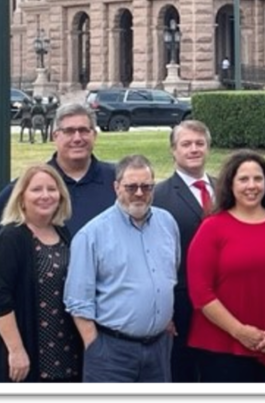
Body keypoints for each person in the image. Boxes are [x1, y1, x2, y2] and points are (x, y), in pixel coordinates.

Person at [187, 150, 265, 382]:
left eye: (258, 178)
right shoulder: (212, 228)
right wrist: (239, 331)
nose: (251, 186)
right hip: (223, 348)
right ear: (230, 184)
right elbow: (201, 292)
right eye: (243, 179)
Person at [64, 155, 180, 382]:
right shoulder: (92, 235)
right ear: (116, 187)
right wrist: (94, 346)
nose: (139, 193)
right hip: (112, 352)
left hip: (159, 348)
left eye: (146, 187)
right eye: (131, 187)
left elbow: (170, 275)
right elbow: (77, 300)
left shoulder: (167, 223)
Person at [0, 102, 117, 263]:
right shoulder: (32, 185)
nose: (77, 138)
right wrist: (3, 280)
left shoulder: (119, 182)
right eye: (68, 131)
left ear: (94, 135)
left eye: (83, 130)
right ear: (55, 136)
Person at [0, 164, 82, 382]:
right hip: (26, 356)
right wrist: (16, 351)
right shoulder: (10, 238)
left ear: (61, 195)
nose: (45, 196)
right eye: (36, 189)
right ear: (21, 198)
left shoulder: (62, 233)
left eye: (52, 189)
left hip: (65, 353)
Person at [153, 120, 217, 383]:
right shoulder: (159, 196)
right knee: (183, 373)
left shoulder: (226, 187)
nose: (194, 149)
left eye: (199, 144)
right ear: (173, 150)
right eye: (186, 144)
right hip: (182, 301)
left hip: (225, 300)